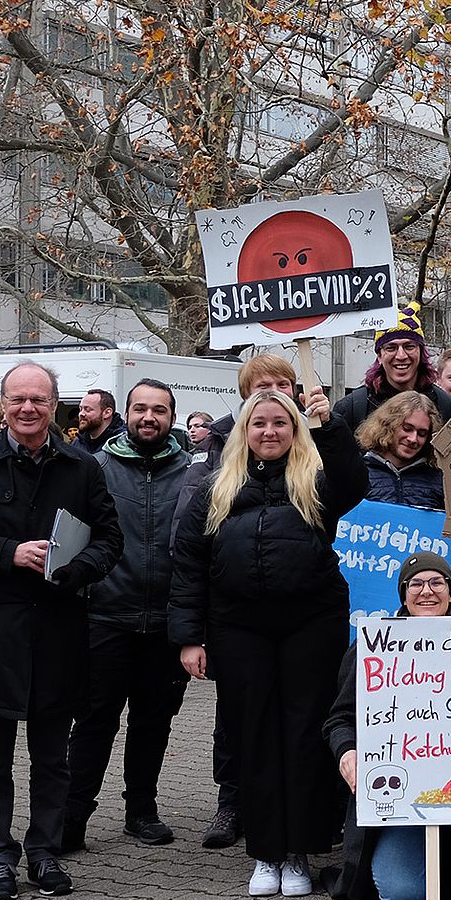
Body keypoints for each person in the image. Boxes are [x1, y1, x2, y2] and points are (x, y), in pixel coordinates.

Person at [0, 361, 124, 900]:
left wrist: (72, 569)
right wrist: (6, 553)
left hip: (59, 628)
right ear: (4, 403)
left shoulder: (82, 468)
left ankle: (43, 851)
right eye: (18, 399)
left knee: (52, 757)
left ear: (54, 404)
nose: (28, 409)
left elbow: (110, 541)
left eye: (39, 399)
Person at [170, 386, 368, 897]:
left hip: (310, 624)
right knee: (252, 734)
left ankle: (298, 851)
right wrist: (190, 638)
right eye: (259, 423)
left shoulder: (316, 482)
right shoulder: (216, 488)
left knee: (302, 733)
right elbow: (189, 565)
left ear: (294, 429)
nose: (270, 432)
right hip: (238, 628)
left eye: (281, 423)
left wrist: (333, 426)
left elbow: (354, 482)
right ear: (244, 431)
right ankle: (265, 851)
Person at [174, 350, 302, 851]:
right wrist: (190, 634)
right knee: (236, 716)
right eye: (259, 385)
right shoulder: (212, 459)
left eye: (281, 384)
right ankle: (233, 801)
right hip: (236, 623)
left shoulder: (314, 460)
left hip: (297, 626)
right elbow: (188, 554)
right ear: (244, 396)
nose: (271, 393)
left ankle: (294, 811)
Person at [63, 379, 194, 854]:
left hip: (165, 620)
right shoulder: (94, 467)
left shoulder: (190, 473)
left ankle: (141, 809)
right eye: (140, 408)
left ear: (171, 417)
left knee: (153, 721)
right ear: (126, 413)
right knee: (95, 721)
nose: (148, 418)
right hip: (106, 616)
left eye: (159, 410)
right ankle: (72, 814)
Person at [322, 551, 451, 900]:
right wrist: (347, 753)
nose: (426, 591)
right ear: (403, 595)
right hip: (402, 798)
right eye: (416, 584)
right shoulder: (373, 647)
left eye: (437, 582)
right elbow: (338, 719)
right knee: (402, 894)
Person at [334, 301, 451, 434]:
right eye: (391, 348)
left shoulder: (448, 408)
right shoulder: (351, 409)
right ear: (379, 355)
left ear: (421, 351)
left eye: (409, 346)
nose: (401, 356)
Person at [358, 390, 444, 510]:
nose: (413, 439)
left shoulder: (439, 480)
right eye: (407, 429)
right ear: (389, 425)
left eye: (422, 433)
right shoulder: (358, 474)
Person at [73, 388, 124, 455]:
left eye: (87, 409)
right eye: (80, 409)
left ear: (107, 413)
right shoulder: (78, 442)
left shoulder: (122, 444)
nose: (81, 414)